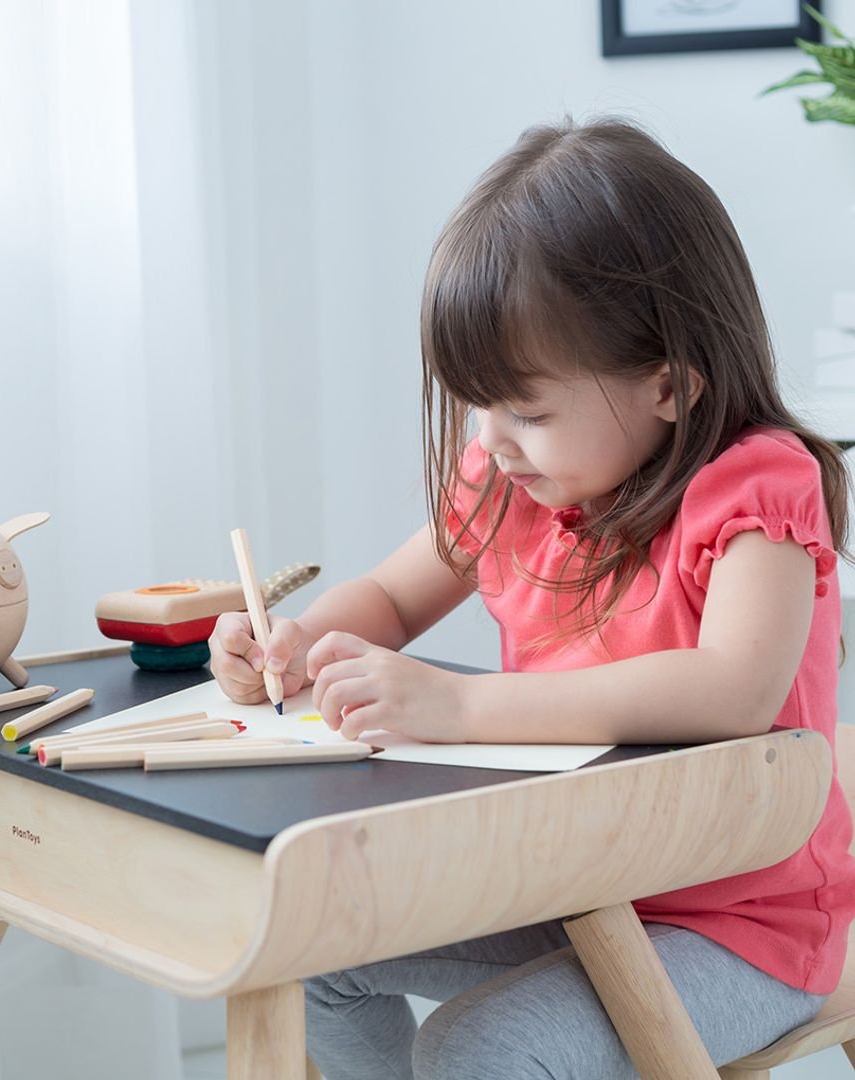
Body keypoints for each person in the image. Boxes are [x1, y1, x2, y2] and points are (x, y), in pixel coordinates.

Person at [208, 117, 855, 1079]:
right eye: (481, 404)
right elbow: (391, 594)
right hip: (570, 879)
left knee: (479, 1051)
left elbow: (734, 691)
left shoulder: (759, 489)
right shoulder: (515, 480)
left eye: (529, 410)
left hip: (739, 921)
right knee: (305, 953)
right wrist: (301, 641)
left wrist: (460, 704)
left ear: (669, 386)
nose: (494, 438)